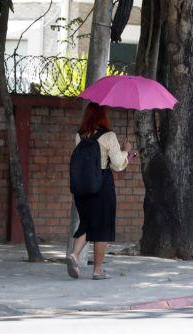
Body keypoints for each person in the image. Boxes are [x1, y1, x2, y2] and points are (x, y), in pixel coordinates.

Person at [67, 103, 135, 280]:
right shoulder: (109, 136)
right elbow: (118, 164)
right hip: (102, 184)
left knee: (87, 223)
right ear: (102, 116)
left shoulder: (79, 135)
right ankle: (97, 271)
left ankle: (74, 255)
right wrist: (126, 151)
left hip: (82, 187)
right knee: (102, 226)